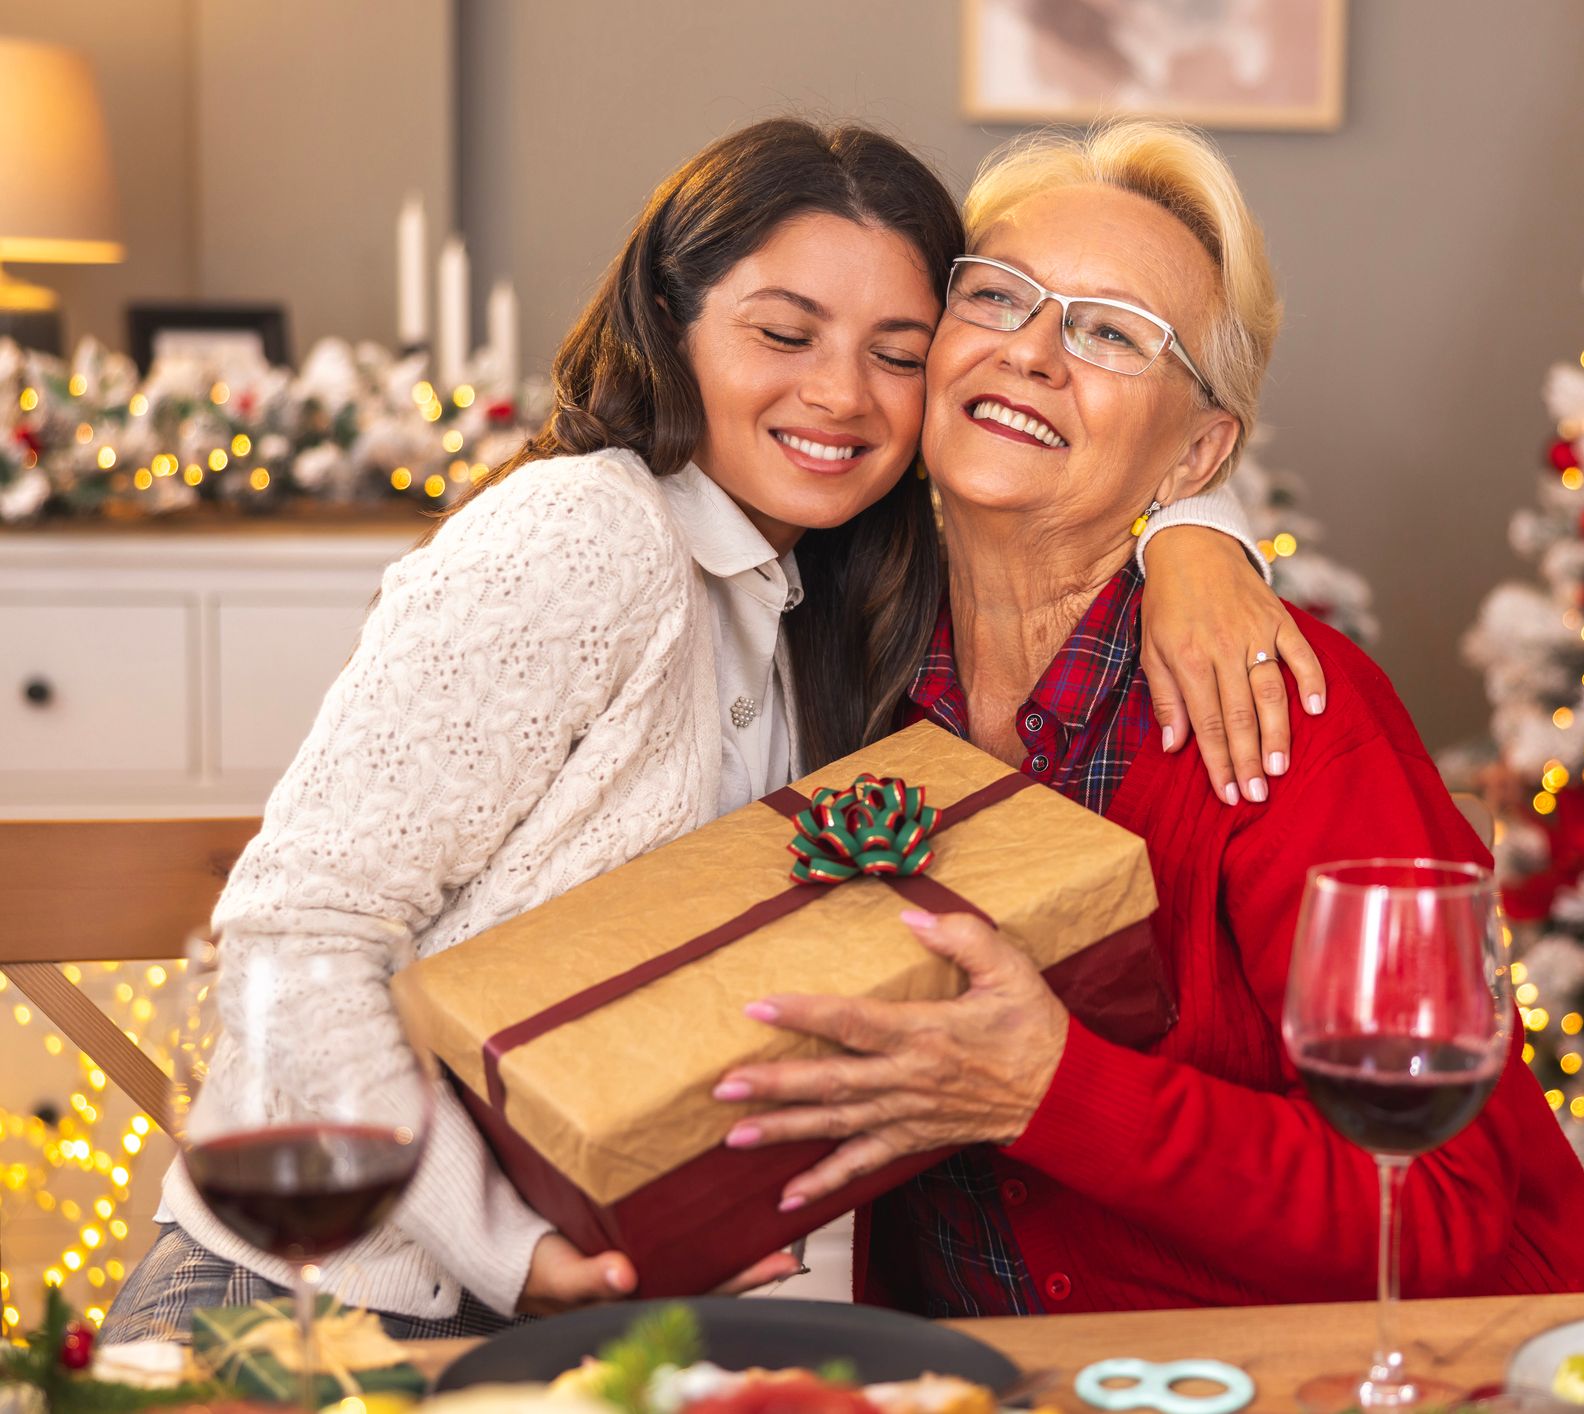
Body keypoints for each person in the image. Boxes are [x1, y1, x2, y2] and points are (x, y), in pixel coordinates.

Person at [101, 118, 1321, 1342]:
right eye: (782, 334)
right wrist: (508, 1250)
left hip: (566, 1326)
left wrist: (1191, 535)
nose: (838, 394)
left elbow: (1101, 432)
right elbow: (298, 928)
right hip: (306, 1306)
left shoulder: (832, 599)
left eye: (897, 354)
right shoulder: (586, 535)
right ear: (670, 323)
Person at [715, 118, 1584, 1314]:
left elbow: (1437, 1206)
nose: (1032, 351)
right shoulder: (825, 659)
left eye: (1109, 332)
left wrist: (1053, 1088)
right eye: (997, 298)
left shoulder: (1283, 708)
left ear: (1197, 454)